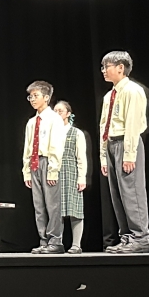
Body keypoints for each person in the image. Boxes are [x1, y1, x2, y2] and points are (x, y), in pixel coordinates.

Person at [98, 51, 149, 253]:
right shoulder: (109, 96)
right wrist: (103, 156)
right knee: (118, 194)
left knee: (132, 192)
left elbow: (133, 124)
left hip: (127, 143)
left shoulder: (133, 91)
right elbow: (104, 126)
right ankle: (127, 236)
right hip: (111, 144)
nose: (103, 71)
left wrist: (129, 154)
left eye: (107, 66)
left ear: (120, 67)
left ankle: (140, 237)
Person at [22, 81, 65, 254]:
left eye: (36, 96)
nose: (32, 99)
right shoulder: (32, 122)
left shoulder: (54, 119)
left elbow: (56, 145)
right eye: (30, 96)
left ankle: (55, 240)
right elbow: (27, 147)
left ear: (46, 98)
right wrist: (26, 171)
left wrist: (53, 169)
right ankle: (43, 240)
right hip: (34, 162)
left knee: (52, 205)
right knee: (39, 206)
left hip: (48, 161)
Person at [52, 101, 88, 253]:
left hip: (71, 172)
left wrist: (82, 178)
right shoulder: (51, 133)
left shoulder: (76, 133)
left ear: (68, 114)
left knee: (75, 209)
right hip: (55, 173)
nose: (57, 114)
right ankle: (57, 243)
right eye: (55, 111)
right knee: (56, 211)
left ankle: (76, 245)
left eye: (60, 111)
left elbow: (81, 157)